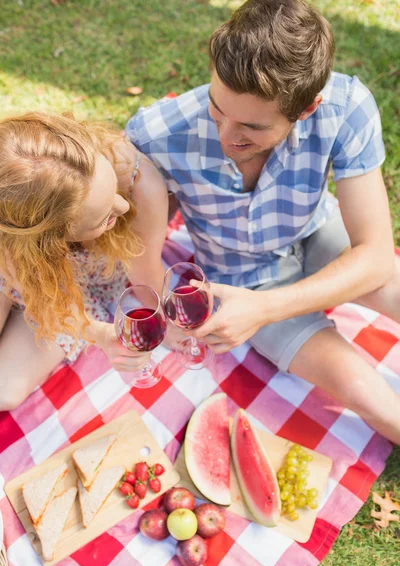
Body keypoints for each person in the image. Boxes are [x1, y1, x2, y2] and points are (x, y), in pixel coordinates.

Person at [127, 0, 400, 444]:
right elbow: (138, 253)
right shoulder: (155, 135)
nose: (225, 136)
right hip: (242, 280)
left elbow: (374, 258)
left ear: (306, 109)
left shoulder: (347, 107)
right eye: (217, 109)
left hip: (319, 236)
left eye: (250, 127)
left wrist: (265, 311)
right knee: (370, 399)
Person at [0, 112, 169, 411]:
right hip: (24, 274)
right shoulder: (17, 236)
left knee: (5, 391)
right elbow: (40, 289)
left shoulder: (139, 183)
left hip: (72, 290)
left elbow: (146, 280)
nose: (124, 205)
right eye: (104, 219)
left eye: (113, 192)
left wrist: (100, 333)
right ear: (49, 240)